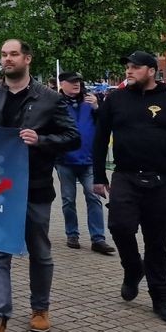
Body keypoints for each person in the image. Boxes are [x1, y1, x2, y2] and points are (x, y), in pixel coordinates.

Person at [0, 40, 79, 332]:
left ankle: (40, 308)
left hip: (35, 186)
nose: (7, 59)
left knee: (40, 252)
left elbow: (72, 137)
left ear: (27, 59)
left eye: (13, 54)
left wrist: (41, 139)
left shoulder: (49, 98)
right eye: (4, 54)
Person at [93, 51, 166, 324]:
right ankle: (132, 268)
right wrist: (98, 176)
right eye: (128, 67)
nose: (129, 71)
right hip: (126, 176)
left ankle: (161, 298)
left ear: (152, 70)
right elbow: (99, 138)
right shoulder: (115, 99)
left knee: (156, 242)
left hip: (164, 180)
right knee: (119, 225)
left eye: (135, 67)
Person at [54, 71, 115, 255]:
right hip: (65, 160)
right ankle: (72, 234)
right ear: (62, 84)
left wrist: (98, 107)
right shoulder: (56, 104)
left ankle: (98, 238)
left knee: (94, 197)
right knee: (68, 199)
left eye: (78, 82)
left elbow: (106, 123)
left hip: (89, 160)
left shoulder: (91, 101)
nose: (76, 85)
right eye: (72, 82)